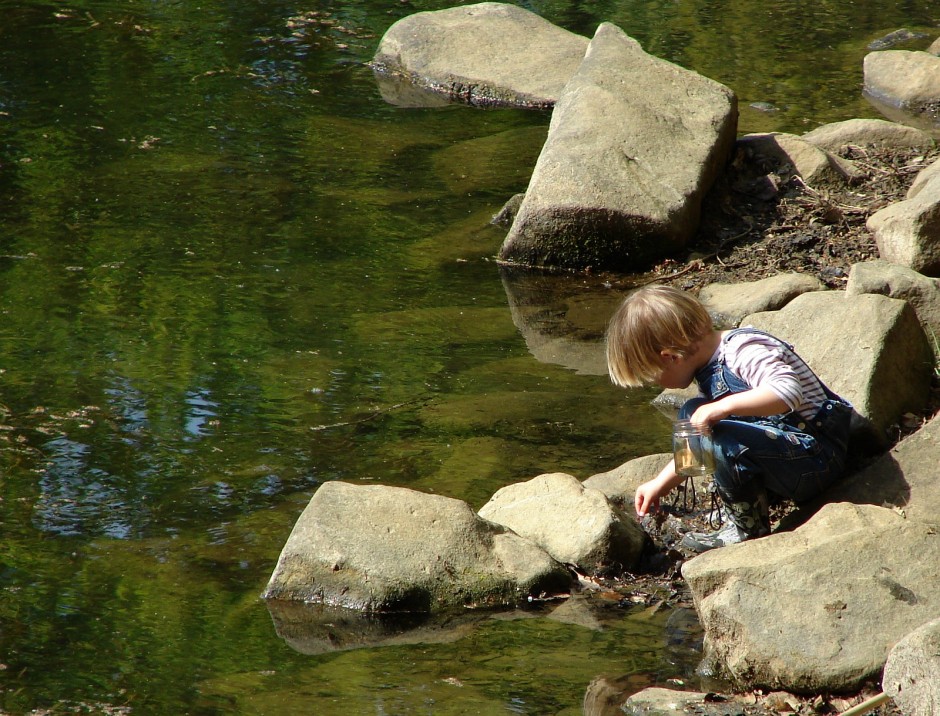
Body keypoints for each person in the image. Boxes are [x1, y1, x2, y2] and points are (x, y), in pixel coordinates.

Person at [605, 284, 852, 552]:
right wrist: (659, 484)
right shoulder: (708, 367)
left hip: (817, 459)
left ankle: (747, 530)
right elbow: (699, 443)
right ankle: (749, 503)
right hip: (785, 458)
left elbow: (787, 393)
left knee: (717, 432)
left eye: (651, 377)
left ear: (671, 357)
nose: (654, 385)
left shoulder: (742, 350)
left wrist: (722, 407)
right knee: (693, 412)